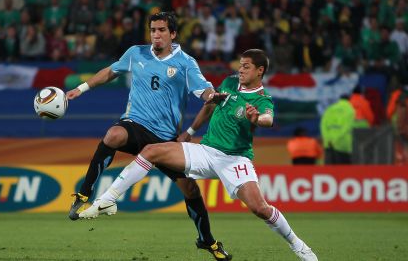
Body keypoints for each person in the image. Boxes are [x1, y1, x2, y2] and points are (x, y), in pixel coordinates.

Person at [79, 49, 318, 261]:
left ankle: (299, 246)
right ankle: (107, 200)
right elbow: (210, 105)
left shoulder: (261, 99)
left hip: (235, 160)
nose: (240, 69)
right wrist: (191, 131)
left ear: (260, 70)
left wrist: (257, 119)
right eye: (240, 64)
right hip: (205, 151)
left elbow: (268, 119)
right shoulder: (230, 82)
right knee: (150, 151)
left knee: (260, 208)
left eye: (246, 66)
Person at [66, 12, 231, 261]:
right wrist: (82, 88)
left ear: (173, 34)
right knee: (113, 134)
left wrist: (212, 96)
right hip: (135, 124)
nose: (156, 34)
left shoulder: (185, 63)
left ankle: (207, 241)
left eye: (162, 30)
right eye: (153, 30)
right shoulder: (136, 53)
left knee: (191, 190)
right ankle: (84, 194)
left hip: (165, 140)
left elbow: (204, 90)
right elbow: (111, 72)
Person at [320, 95, 355, 164]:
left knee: (329, 169)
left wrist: (328, 138)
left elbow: (323, 125)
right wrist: (336, 139)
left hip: (328, 143)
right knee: (343, 171)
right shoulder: (350, 110)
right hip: (343, 144)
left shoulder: (330, 109)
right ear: (349, 100)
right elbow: (347, 127)